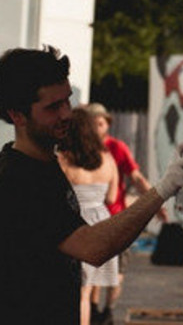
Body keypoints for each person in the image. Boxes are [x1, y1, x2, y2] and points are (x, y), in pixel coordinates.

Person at [0, 47, 183, 325]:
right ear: (18, 115)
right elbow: (93, 247)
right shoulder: (20, 179)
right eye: (53, 107)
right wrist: (164, 188)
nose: (66, 114)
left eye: (67, 101)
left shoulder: (43, 162)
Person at [85, 102, 167, 322]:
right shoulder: (80, 150)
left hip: (116, 217)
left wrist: (156, 203)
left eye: (100, 124)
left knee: (116, 273)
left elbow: (137, 177)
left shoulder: (116, 148)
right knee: (92, 271)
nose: (97, 129)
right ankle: (93, 309)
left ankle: (108, 310)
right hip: (91, 221)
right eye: (92, 124)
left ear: (107, 124)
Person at [57, 108, 120, 325]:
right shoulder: (107, 159)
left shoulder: (61, 160)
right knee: (87, 294)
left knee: (70, 294)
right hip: (101, 225)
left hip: (73, 225)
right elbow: (112, 198)